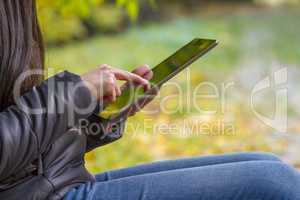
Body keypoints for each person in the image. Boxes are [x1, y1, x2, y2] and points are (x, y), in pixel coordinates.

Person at [0, 1, 299, 200]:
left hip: (57, 183)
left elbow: (26, 149)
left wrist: (98, 113)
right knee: (273, 180)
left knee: (266, 163)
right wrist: (75, 93)